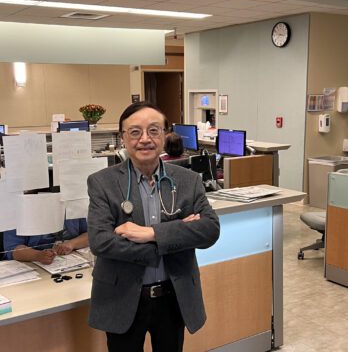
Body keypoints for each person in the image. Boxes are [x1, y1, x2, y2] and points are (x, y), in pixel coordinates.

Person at [87, 101, 220, 352]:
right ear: (123, 138)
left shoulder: (188, 181)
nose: (145, 139)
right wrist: (173, 239)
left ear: (165, 134)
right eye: (135, 132)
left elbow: (210, 230)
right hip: (122, 297)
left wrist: (151, 234)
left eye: (154, 130)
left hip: (174, 296)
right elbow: (101, 241)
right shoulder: (101, 183)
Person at [3, 218, 88, 264]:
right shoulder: (18, 213)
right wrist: (37, 255)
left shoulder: (73, 206)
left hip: (70, 261)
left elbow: (90, 234)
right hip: (34, 264)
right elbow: (13, 249)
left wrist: (72, 244)